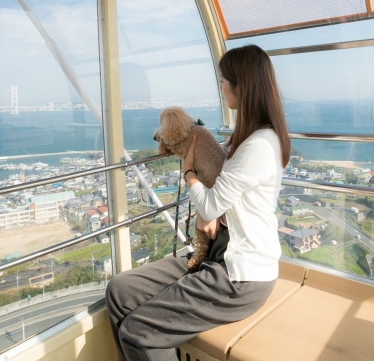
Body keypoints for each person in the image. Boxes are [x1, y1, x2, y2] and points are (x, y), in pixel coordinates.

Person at [105, 44, 291, 361]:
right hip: (219, 254)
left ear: (241, 87)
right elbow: (220, 188)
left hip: (241, 275)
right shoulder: (243, 138)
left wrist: (189, 170)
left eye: (224, 80)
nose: (221, 87)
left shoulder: (259, 145)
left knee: (138, 334)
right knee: (120, 291)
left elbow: (209, 205)